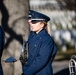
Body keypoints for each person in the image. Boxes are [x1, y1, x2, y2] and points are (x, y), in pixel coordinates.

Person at [21, 10, 58, 75]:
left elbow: (41, 61)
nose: (31, 24)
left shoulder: (47, 40)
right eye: (31, 21)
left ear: (42, 24)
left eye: (34, 22)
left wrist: (26, 72)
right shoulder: (32, 35)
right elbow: (26, 54)